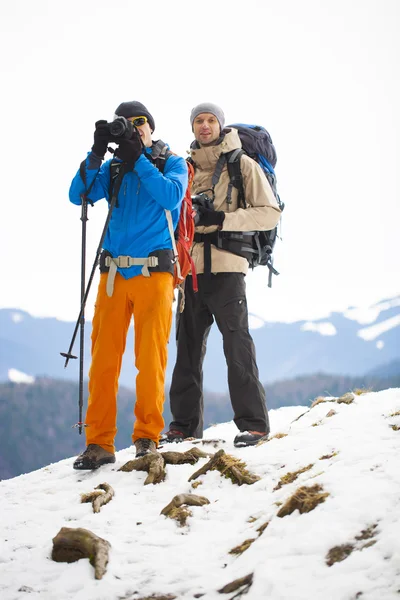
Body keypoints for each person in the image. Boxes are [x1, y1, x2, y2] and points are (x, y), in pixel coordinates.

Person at [69, 101, 188, 469]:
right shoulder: (113, 166)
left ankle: (146, 437)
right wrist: (95, 153)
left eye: (141, 122)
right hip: (113, 276)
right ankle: (99, 443)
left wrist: (138, 159)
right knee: (103, 361)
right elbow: (80, 195)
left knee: (150, 360)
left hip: (155, 274)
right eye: (128, 123)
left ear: (151, 127)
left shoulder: (172, 163)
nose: (135, 127)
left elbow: (171, 196)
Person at [164, 102, 282, 447]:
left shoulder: (240, 164)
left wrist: (222, 220)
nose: (204, 126)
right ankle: (183, 427)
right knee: (186, 351)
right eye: (198, 121)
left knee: (237, 346)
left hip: (228, 269)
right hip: (190, 273)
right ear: (192, 127)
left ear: (220, 125)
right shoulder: (183, 169)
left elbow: (269, 213)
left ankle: (255, 425)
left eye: (210, 120)